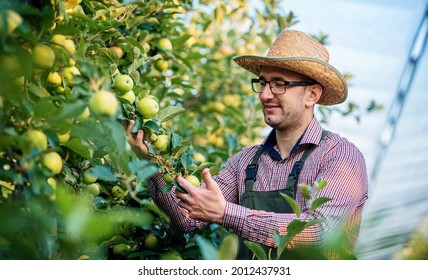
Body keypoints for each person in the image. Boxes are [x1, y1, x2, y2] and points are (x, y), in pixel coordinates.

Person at [126, 29, 369, 259]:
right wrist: (149, 162)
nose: (264, 94)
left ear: (312, 95)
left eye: (279, 84)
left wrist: (227, 213)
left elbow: (320, 233)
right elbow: (187, 218)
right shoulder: (246, 162)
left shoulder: (340, 156)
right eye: (262, 83)